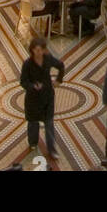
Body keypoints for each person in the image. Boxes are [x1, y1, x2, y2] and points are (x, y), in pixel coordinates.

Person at [20, 36, 65, 164]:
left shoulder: (48, 59)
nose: (39, 53)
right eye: (37, 50)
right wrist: (33, 86)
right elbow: (23, 81)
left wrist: (58, 80)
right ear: (33, 50)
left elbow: (61, 66)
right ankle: (33, 143)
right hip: (33, 99)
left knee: (49, 124)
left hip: (47, 97)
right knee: (33, 123)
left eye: (41, 50)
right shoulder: (27, 64)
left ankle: (51, 150)